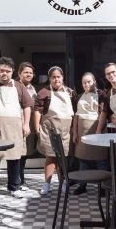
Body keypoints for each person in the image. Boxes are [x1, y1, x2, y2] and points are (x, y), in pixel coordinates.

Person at [0, 57, 33, 204]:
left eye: (8, 71)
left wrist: (26, 124)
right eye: (2, 71)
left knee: (15, 158)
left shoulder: (19, 86)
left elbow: (27, 106)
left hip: (15, 127)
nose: (5, 74)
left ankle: (14, 187)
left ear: (12, 72)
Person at [34, 66, 77, 195]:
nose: (56, 79)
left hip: (65, 131)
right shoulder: (43, 92)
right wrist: (37, 128)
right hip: (50, 130)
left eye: (58, 77)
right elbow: (37, 111)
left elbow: (75, 113)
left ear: (62, 77)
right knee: (51, 157)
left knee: (63, 159)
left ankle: (63, 182)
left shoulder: (70, 92)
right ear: (50, 78)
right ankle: (47, 183)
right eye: (53, 77)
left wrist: (74, 130)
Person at [72, 72, 109, 195]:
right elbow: (76, 116)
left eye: (89, 81)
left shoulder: (102, 94)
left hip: (97, 129)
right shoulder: (79, 96)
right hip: (82, 131)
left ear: (94, 81)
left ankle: (103, 187)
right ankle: (82, 185)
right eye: (84, 82)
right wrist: (75, 132)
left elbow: (103, 114)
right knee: (83, 159)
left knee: (100, 159)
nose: (87, 84)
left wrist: (98, 131)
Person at [17, 62, 37, 190]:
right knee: (17, 153)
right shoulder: (15, 86)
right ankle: (16, 181)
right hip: (17, 122)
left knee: (24, 153)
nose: (28, 74)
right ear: (19, 73)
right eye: (26, 72)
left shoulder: (31, 88)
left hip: (27, 123)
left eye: (30, 72)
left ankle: (20, 179)